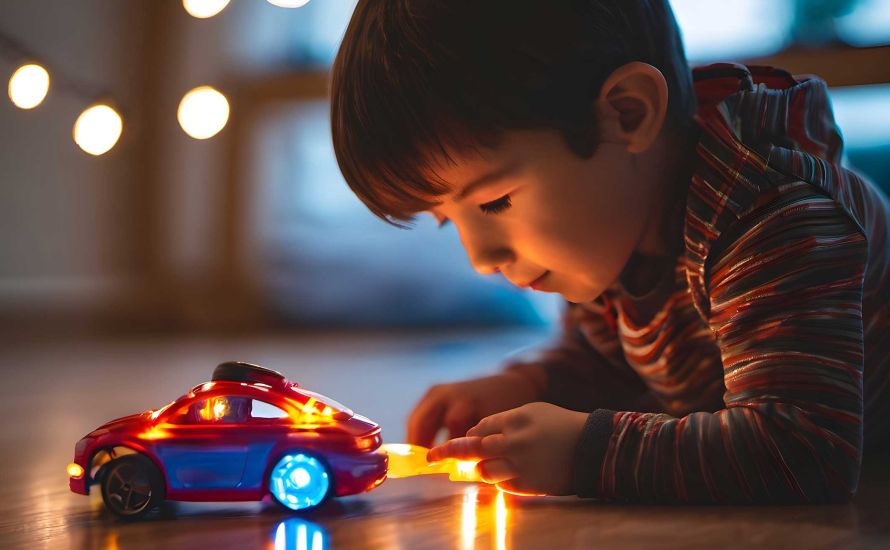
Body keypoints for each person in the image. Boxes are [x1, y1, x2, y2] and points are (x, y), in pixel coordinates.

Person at [329, 0, 890, 503]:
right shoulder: (610, 230)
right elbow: (611, 362)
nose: (480, 258)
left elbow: (803, 446)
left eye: (495, 201)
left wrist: (585, 453)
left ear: (628, 114)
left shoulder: (771, 219)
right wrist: (529, 385)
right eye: (447, 221)